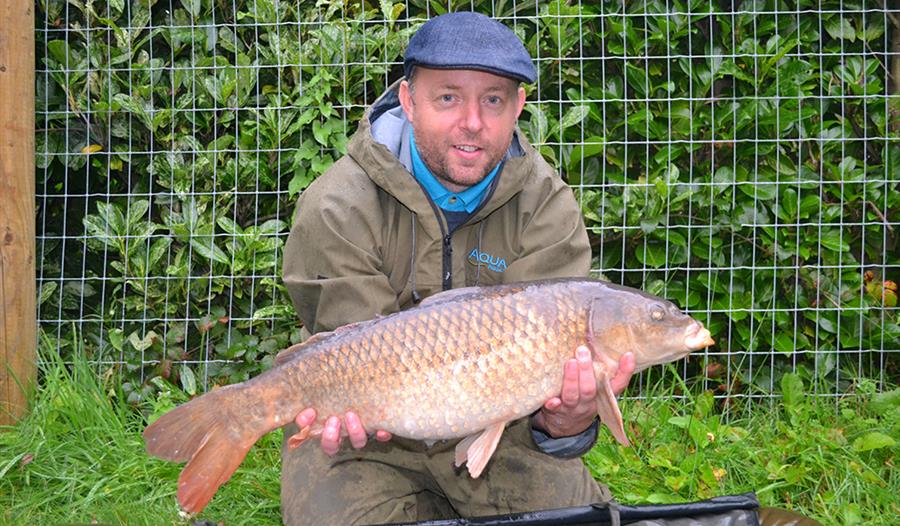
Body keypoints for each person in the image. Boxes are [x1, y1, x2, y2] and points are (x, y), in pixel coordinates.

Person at [281, 11, 819, 526]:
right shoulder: (337, 206)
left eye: (493, 100)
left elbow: (553, 421)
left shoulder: (546, 206)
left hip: (504, 437)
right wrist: (342, 407)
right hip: (360, 444)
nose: (472, 123)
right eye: (448, 97)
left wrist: (568, 419)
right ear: (408, 99)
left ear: (518, 108)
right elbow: (356, 355)